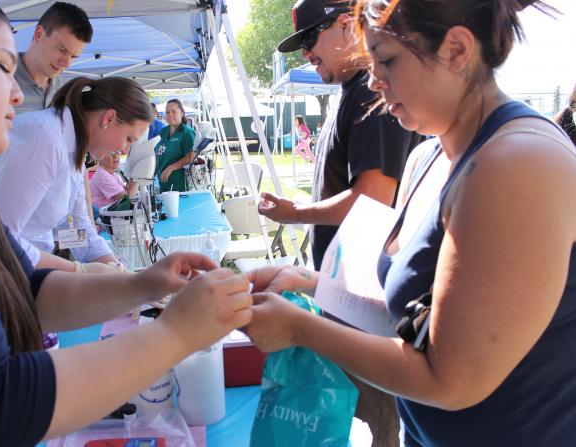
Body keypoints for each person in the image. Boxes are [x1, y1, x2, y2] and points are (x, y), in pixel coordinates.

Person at [0, 1, 252, 445]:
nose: (17, 93)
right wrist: (175, 334)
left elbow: (28, 286)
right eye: (0, 65)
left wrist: (142, 284)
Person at [245, 0, 576, 445]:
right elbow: (415, 315)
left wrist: (300, 328)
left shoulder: (517, 164)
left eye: (386, 61)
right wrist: (305, 281)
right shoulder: (428, 155)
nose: (375, 81)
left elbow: (451, 381)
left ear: (457, 50)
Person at [260, 1, 422, 443]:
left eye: (311, 37)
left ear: (347, 24)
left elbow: (372, 199)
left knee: (376, 421)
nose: (305, 54)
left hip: (366, 301)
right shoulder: (350, 93)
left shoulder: (371, 95)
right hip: (344, 293)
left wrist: (293, 214)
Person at [0, 76, 151, 272]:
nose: (124, 151)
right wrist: (77, 271)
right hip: (2, 273)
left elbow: (76, 224)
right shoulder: (44, 138)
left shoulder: (75, 151)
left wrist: (116, 268)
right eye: (128, 139)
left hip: (22, 269)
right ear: (108, 118)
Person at [15, 2, 92, 114]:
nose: (67, 63)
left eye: (74, 56)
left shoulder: (67, 94)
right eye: (62, 50)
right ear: (39, 34)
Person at [154, 99, 196, 192]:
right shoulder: (163, 131)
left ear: (182, 112)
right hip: (164, 184)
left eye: (174, 112)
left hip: (179, 185)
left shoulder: (187, 132)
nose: (170, 115)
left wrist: (170, 168)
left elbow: (190, 157)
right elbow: (157, 153)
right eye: (167, 112)